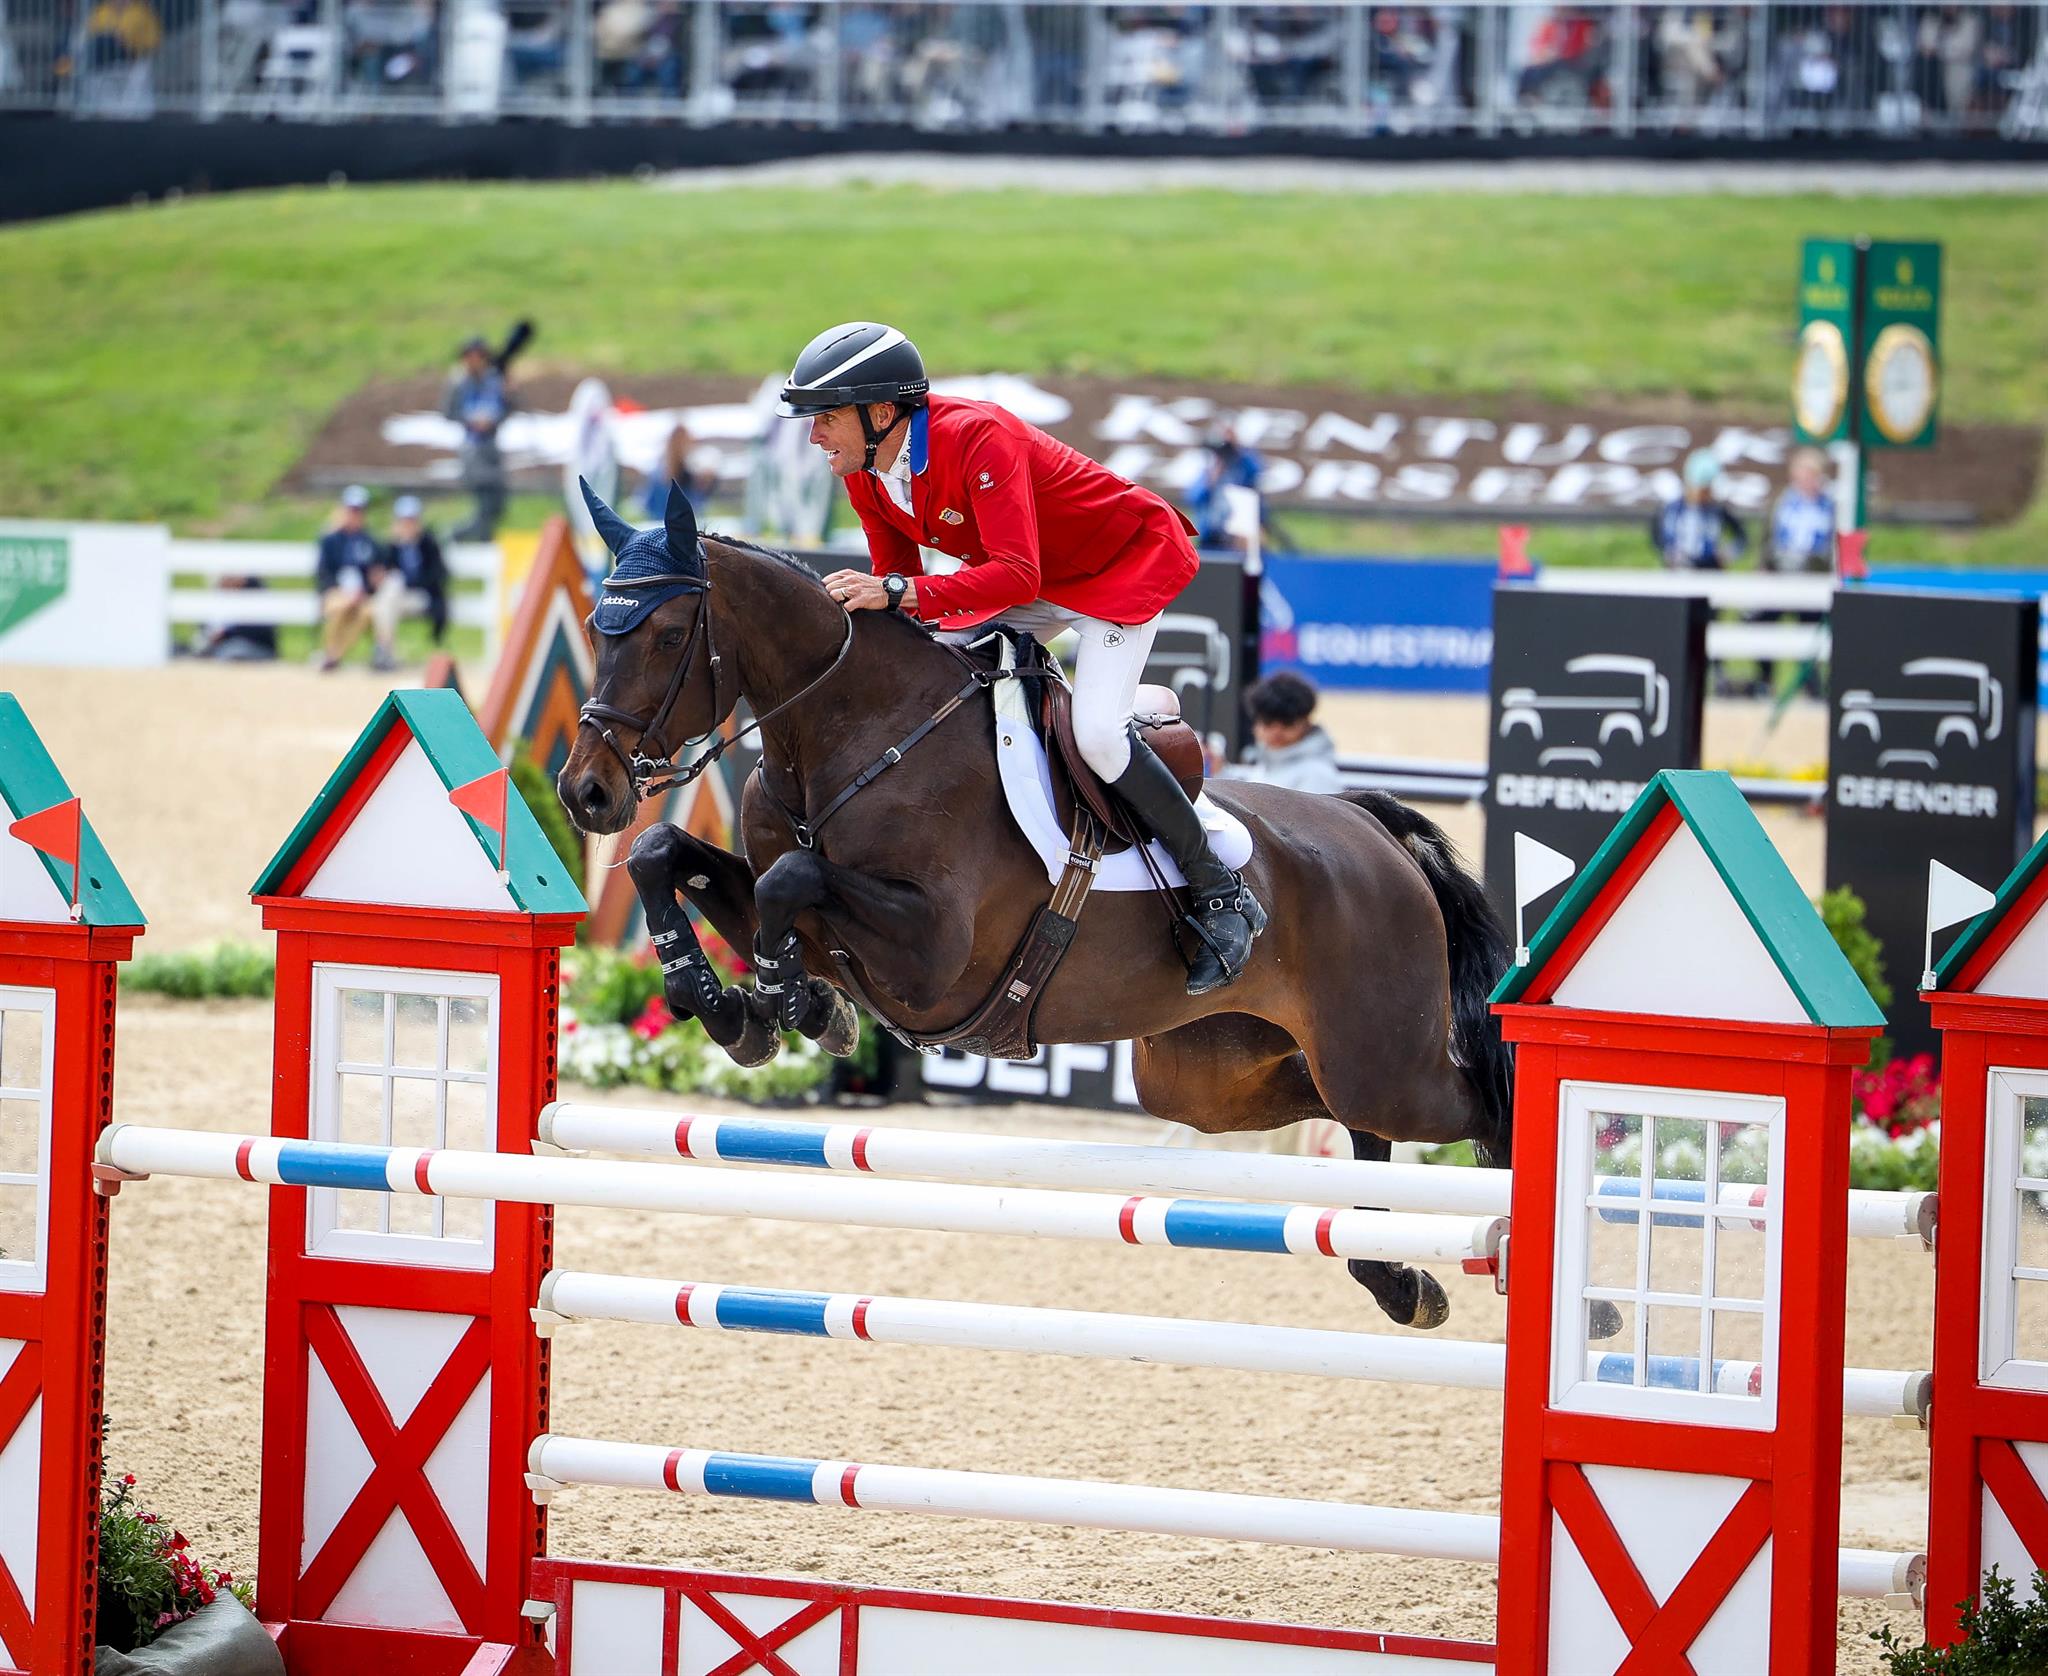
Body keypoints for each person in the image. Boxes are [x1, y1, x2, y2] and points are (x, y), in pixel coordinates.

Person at [789, 320, 1266, 996]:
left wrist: (895, 590)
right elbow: (900, 593)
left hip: (1117, 569)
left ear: (882, 411)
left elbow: (1006, 573)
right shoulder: (865, 472)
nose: (814, 436)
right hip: (1033, 580)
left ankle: (1221, 890)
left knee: (1100, 735)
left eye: (825, 417)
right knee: (935, 679)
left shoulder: (979, 437)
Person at [1762, 446, 1836, 699]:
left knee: (1811, 632)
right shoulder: (1783, 502)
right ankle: (1764, 682)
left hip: (1813, 578)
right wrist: (1765, 566)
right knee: (1761, 620)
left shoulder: (1829, 506)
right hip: (1783, 575)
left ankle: (1813, 688)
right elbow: (1768, 538)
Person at [367, 494, 449, 671]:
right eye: (404, 520)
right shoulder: (391, 546)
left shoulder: (429, 544)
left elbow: (437, 576)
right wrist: (397, 544)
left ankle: (383, 651)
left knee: (388, 595)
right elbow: (379, 574)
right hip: (396, 599)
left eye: (411, 520)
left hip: (421, 597)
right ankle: (386, 653)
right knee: (390, 593)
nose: (408, 525)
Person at [443, 335, 512, 540]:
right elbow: (448, 411)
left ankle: (483, 535)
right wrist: (471, 421)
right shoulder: (458, 383)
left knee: (497, 503)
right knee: (482, 501)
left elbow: (506, 407)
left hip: (491, 447)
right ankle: (460, 535)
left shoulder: (494, 381)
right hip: (472, 448)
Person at [1230, 672, 1344, 795]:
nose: (1276, 731)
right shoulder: (1264, 765)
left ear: (1306, 723)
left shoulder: (1318, 774)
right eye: (1267, 722)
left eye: (1287, 722)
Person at [315, 485, 385, 671]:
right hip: (336, 592)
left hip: (362, 595)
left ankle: (335, 655)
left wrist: (366, 591)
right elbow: (323, 573)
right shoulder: (330, 540)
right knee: (340, 607)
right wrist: (339, 592)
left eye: (359, 511)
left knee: (367, 613)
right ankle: (330, 652)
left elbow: (376, 573)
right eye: (352, 510)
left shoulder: (370, 541)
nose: (355, 515)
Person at [1650, 448, 1747, 570]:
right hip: (1680, 568)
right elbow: (1658, 536)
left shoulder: (1716, 510)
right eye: (1704, 489)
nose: (1707, 494)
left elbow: (1741, 535)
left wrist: (1728, 553)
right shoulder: (1673, 509)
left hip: (1710, 568)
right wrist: (1668, 553)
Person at [1187, 424, 1262, 550]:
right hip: (1209, 533)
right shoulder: (1207, 472)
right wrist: (1211, 478)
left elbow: (1255, 472)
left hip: (1235, 533)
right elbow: (1193, 497)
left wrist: (1237, 449)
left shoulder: (1240, 470)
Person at [641, 422, 719, 522]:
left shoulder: (691, 470)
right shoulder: (659, 474)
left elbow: (698, 502)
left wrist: (706, 482)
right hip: (663, 524)